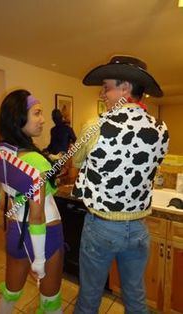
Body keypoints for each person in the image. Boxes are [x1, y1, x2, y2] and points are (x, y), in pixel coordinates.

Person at [72, 55, 169, 314]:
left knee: (90, 297)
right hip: (138, 229)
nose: (102, 93)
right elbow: (152, 167)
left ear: (125, 87)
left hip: (101, 227)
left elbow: (77, 162)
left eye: (107, 86)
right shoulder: (161, 128)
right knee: (136, 298)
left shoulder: (95, 126)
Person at [0, 90, 64, 314]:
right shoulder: (36, 161)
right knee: (51, 302)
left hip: (15, 231)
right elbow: (37, 215)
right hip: (45, 235)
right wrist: (38, 261)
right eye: (37, 113)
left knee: (11, 292)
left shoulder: (0, 153)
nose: (43, 119)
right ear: (19, 118)